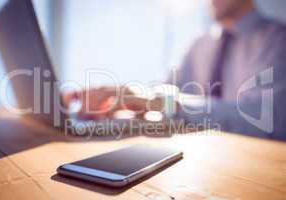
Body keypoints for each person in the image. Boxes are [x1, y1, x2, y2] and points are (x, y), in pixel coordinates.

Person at [64, 0, 286, 140]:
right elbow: (169, 90)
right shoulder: (201, 43)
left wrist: (157, 101)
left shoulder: (278, 40)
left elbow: (264, 120)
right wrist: (123, 96)